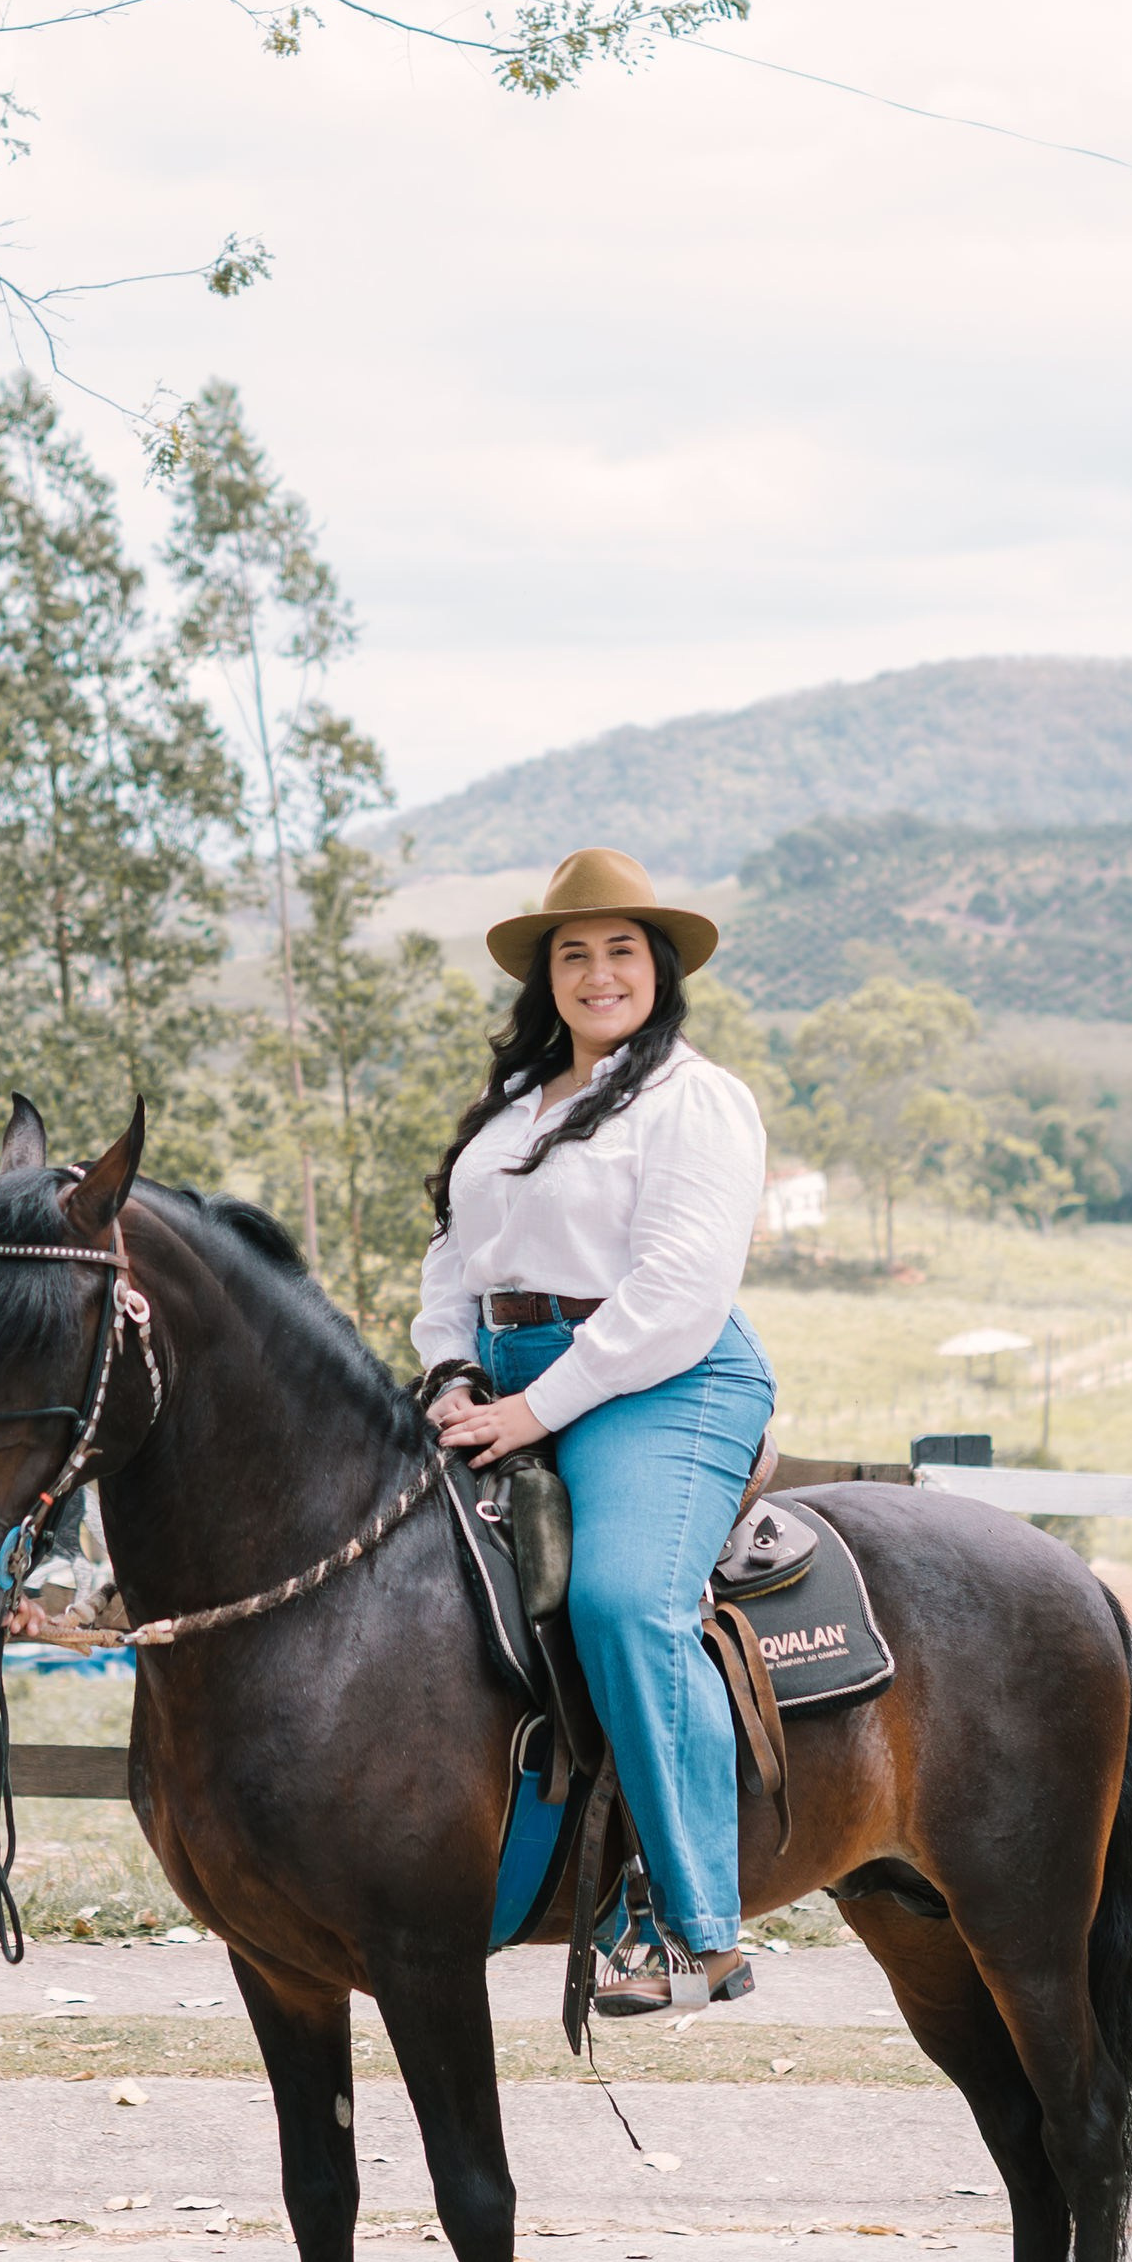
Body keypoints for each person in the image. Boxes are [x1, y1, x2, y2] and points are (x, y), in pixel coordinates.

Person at [412, 850, 773, 2016]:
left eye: (620, 949)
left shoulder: (692, 1100)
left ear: (658, 969)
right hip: (505, 1377)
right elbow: (451, 1264)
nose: (597, 972)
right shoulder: (514, 1114)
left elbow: (675, 1295)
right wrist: (453, 1371)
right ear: (546, 980)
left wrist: (534, 1409)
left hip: (658, 1381)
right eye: (574, 954)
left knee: (622, 1601)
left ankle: (688, 1924)